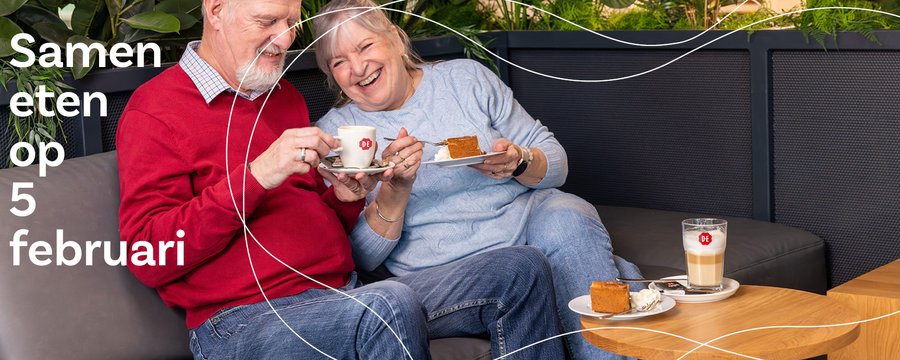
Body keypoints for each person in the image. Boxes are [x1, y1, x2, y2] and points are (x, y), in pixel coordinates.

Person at [116, 0, 566, 358]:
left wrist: (346, 197)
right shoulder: (155, 109)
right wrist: (255, 177)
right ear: (216, 11)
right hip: (240, 321)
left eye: (291, 22)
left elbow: (310, 221)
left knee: (519, 270)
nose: (285, 38)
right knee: (388, 305)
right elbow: (149, 254)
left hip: (343, 295)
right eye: (268, 21)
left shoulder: (283, 97)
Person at [312, 1, 645, 358]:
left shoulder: (465, 78)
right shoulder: (334, 135)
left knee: (568, 213)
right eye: (339, 62)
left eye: (365, 46)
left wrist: (519, 161)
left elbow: (557, 163)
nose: (358, 68)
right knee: (611, 274)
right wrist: (395, 191)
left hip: (529, 227)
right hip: (447, 274)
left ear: (394, 37)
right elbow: (361, 256)